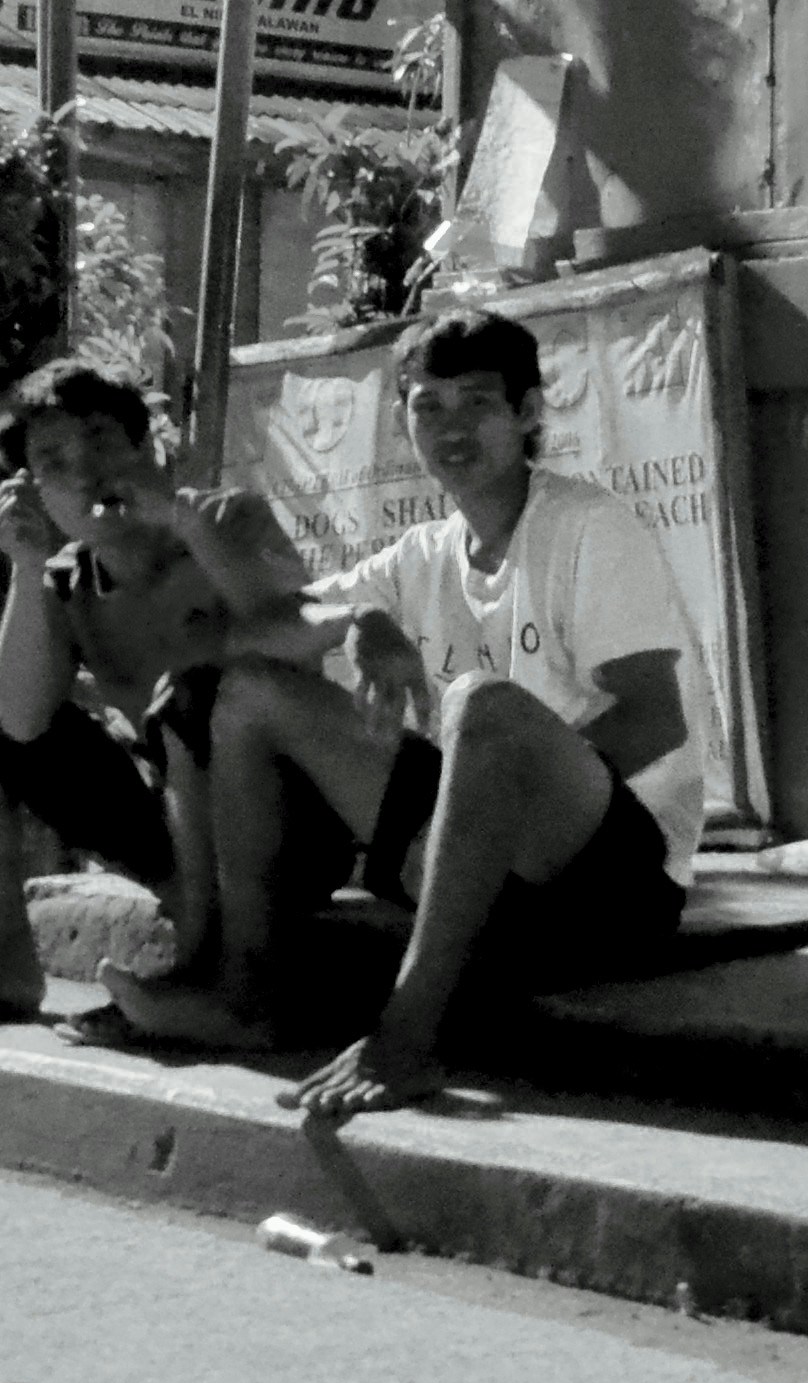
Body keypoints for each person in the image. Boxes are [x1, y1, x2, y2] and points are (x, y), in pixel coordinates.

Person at [109, 308, 701, 1117]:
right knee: (248, 691)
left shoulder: (587, 525)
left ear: (529, 413)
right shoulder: (419, 554)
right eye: (429, 406)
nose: (452, 428)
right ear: (404, 421)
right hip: (477, 872)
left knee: (479, 705)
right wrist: (355, 620)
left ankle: (407, 1036)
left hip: (610, 885)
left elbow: (656, 720)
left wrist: (478, 816)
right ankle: (248, 994)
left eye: (478, 404)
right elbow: (257, 630)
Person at [0, 361, 315, 1032]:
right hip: (172, 819)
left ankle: (206, 977)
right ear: (33, 491)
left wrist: (180, 520)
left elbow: (297, 631)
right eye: (55, 461)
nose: (87, 470)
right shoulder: (66, 584)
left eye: (101, 441)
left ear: (146, 448)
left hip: (285, 819)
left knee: (188, 696)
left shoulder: (225, 517)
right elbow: (19, 720)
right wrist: (28, 566)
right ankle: (9, 964)